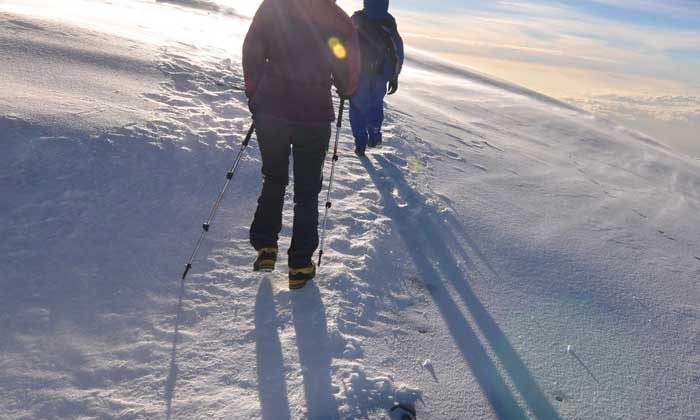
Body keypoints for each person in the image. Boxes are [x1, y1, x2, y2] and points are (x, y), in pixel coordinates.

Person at [243, 0, 360, 289]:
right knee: (307, 191)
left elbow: (252, 48)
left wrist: (255, 90)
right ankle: (299, 265)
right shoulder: (336, 17)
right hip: (314, 114)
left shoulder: (274, 6)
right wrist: (344, 88)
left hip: (272, 108)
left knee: (274, 177)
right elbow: (349, 69)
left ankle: (266, 248)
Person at [349, 0, 404, 157]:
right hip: (381, 74)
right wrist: (395, 76)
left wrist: (342, 72)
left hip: (359, 73)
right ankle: (374, 135)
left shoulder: (357, 18)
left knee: (357, 108)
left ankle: (360, 143)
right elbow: (397, 51)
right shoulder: (388, 21)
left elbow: (344, 44)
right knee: (376, 105)